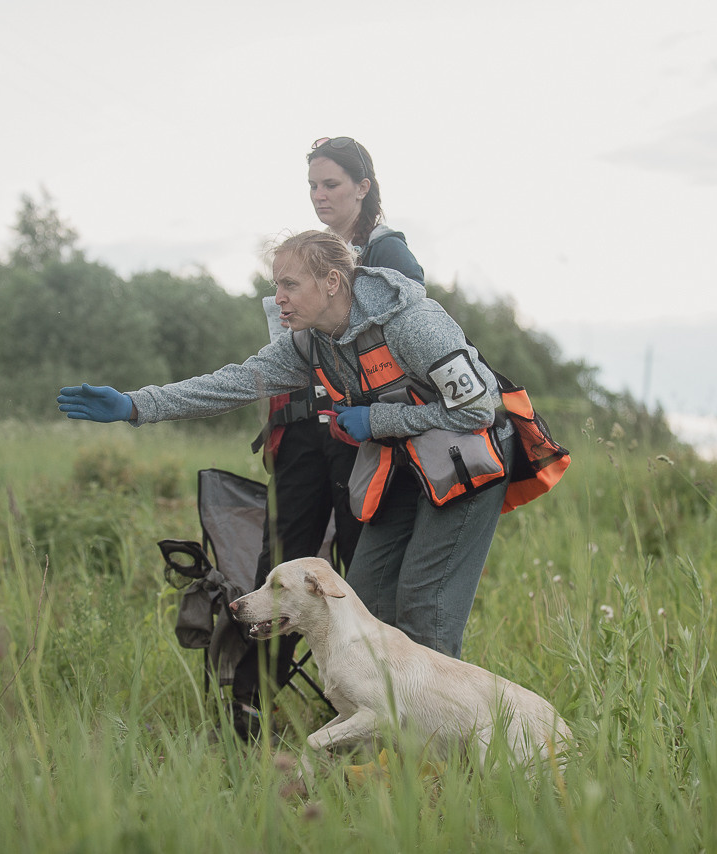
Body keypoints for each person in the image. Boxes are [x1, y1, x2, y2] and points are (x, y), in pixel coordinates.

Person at [57, 230, 511, 663]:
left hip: (467, 467)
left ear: (331, 282)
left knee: (425, 611)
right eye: (277, 285)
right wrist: (136, 404)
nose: (278, 298)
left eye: (290, 285)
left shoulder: (412, 323)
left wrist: (377, 420)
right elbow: (232, 384)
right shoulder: (309, 344)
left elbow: (480, 408)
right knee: (363, 603)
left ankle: (443, 718)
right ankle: (384, 717)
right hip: (404, 468)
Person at [232, 137, 424, 730]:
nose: (319, 196)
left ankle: (363, 708)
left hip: (355, 434)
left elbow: (403, 339)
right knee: (280, 564)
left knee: (352, 570)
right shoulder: (307, 255)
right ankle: (249, 710)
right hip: (298, 431)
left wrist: (377, 418)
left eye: (331, 184)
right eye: (312, 186)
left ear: (363, 187)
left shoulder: (388, 253)